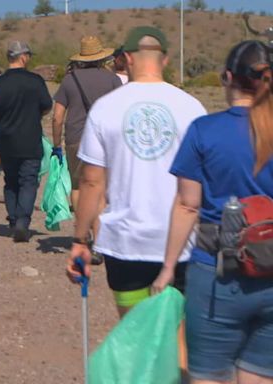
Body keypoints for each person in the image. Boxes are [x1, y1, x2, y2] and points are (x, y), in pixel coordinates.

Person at [152, 40, 273, 384]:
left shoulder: (205, 131)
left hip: (217, 275)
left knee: (209, 376)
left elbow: (188, 205)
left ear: (228, 77)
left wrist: (167, 269)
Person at [66, 27, 207, 317]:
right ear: (165, 59)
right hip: (179, 243)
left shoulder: (106, 109)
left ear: (127, 58)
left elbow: (92, 182)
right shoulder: (192, 108)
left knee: (134, 333)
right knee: (176, 335)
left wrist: (80, 240)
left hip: (125, 243)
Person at [0, 41, 53, 242]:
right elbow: (47, 106)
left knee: (11, 181)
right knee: (29, 181)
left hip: (7, 140)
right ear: (23, 57)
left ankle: (14, 220)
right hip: (31, 138)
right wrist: (34, 115)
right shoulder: (36, 81)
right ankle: (23, 221)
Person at [52, 35, 121, 228]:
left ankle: (83, 230)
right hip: (105, 140)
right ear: (101, 57)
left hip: (76, 138)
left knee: (77, 186)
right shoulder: (113, 79)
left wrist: (57, 145)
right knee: (100, 188)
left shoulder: (69, 80)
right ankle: (99, 233)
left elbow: (57, 117)